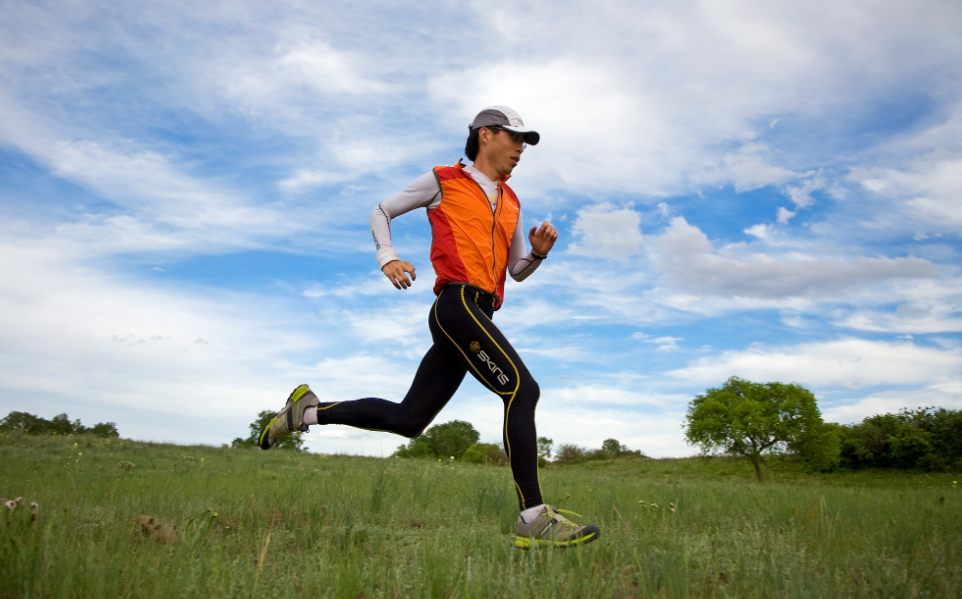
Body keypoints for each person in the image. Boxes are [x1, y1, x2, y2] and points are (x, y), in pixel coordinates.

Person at [259, 106, 600, 548]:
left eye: (525, 142)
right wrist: (388, 257)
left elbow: (515, 270)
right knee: (523, 390)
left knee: (408, 420)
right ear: (485, 135)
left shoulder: (512, 201)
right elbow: (381, 211)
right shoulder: (444, 179)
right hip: (455, 305)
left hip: (481, 312)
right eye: (515, 138)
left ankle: (305, 412)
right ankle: (533, 517)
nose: (521, 149)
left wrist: (536, 253)